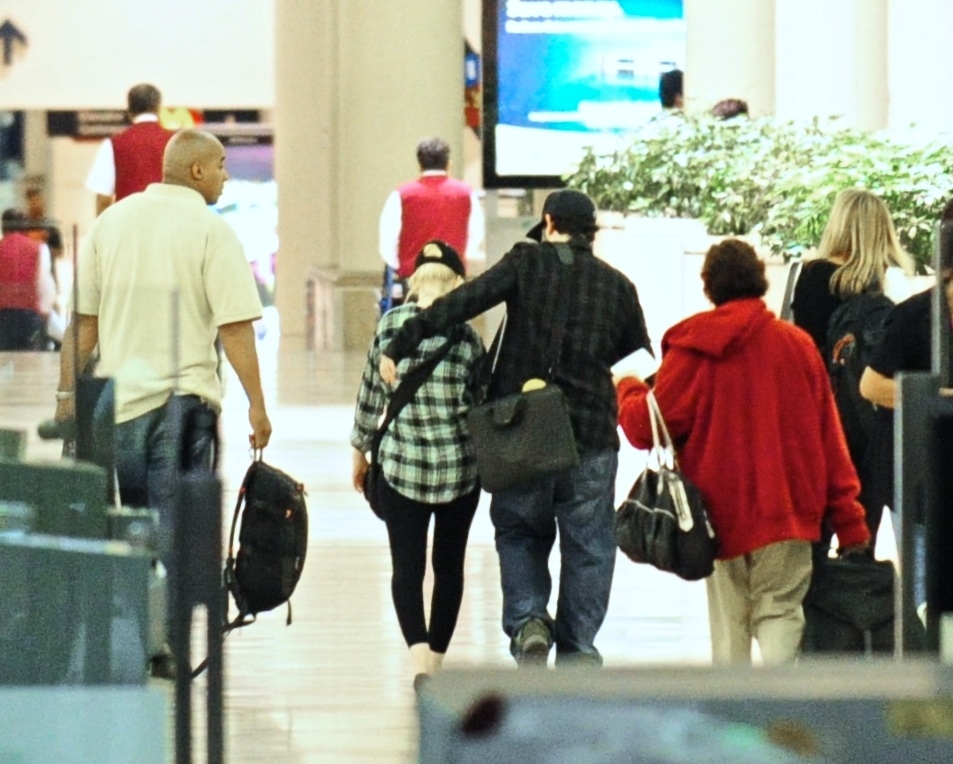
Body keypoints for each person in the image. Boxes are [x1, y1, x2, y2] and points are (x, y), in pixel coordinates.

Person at [380, 189, 652, 667]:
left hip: (522, 429)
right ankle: (578, 647)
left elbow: (464, 301)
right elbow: (638, 359)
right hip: (590, 436)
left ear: (548, 222)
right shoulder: (618, 286)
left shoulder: (526, 264)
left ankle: (528, 622)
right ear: (592, 233)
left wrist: (404, 339)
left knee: (520, 532)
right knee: (589, 546)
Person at [617, 239, 870, 665]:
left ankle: (735, 716)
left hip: (718, 518)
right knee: (782, 612)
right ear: (759, 280)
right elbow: (830, 440)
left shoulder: (694, 349)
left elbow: (645, 427)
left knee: (730, 625)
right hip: (790, 511)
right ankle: (779, 714)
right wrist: (851, 523)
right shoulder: (799, 347)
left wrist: (627, 387)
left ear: (709, 286)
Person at [55, 128, 271, 577]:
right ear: (196, 170)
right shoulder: (213, 231)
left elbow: (83, 325)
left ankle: (141, 636)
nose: (226, 176)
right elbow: (235, 329)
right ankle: (170, 640)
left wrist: (65, 398)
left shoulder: (111, 222)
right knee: (180, 539)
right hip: (184, 407)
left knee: (136, 535)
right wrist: (257, 406)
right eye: (221, 165)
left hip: (121, 410)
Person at [350, 240, 484, 690]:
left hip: (402, 469)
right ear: (457, 285)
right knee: (449, 569)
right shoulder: (467, 337)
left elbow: (371, 392)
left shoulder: (391, 326)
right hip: (458, 473)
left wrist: (359, 451)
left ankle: (420, 662)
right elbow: (479, 404)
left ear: (414, 281)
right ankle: (439, 662)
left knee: (406, 569)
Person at [791, 188, 914, 353]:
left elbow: (804, 339)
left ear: (837, 226)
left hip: (822, 375)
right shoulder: (892, 280)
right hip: (873, 377)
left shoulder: (813, 273)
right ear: (882, 231)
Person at [378, 137, 484, 300]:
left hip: (413, 279)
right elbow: (476, 233)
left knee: (414, 323)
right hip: (452, 278)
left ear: (419, 165)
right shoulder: (466, 193)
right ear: (449, 163)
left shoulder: (401, 194)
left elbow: (388, 240)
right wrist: (460, 258)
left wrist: (402, 266)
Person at [85, 83, 176, 216]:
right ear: (158, 107)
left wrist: (102, 231)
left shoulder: (113, 144)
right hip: (168, 223)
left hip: (128, 226)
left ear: (129, 110)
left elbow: (103, 198)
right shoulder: (175, 141)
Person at [0, 209, 56, 350]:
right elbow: (44, 284)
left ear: (3, 226)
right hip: (29, 315)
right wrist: (45, 310)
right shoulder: (38, 248)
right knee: (28, 363)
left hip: (2, 315)